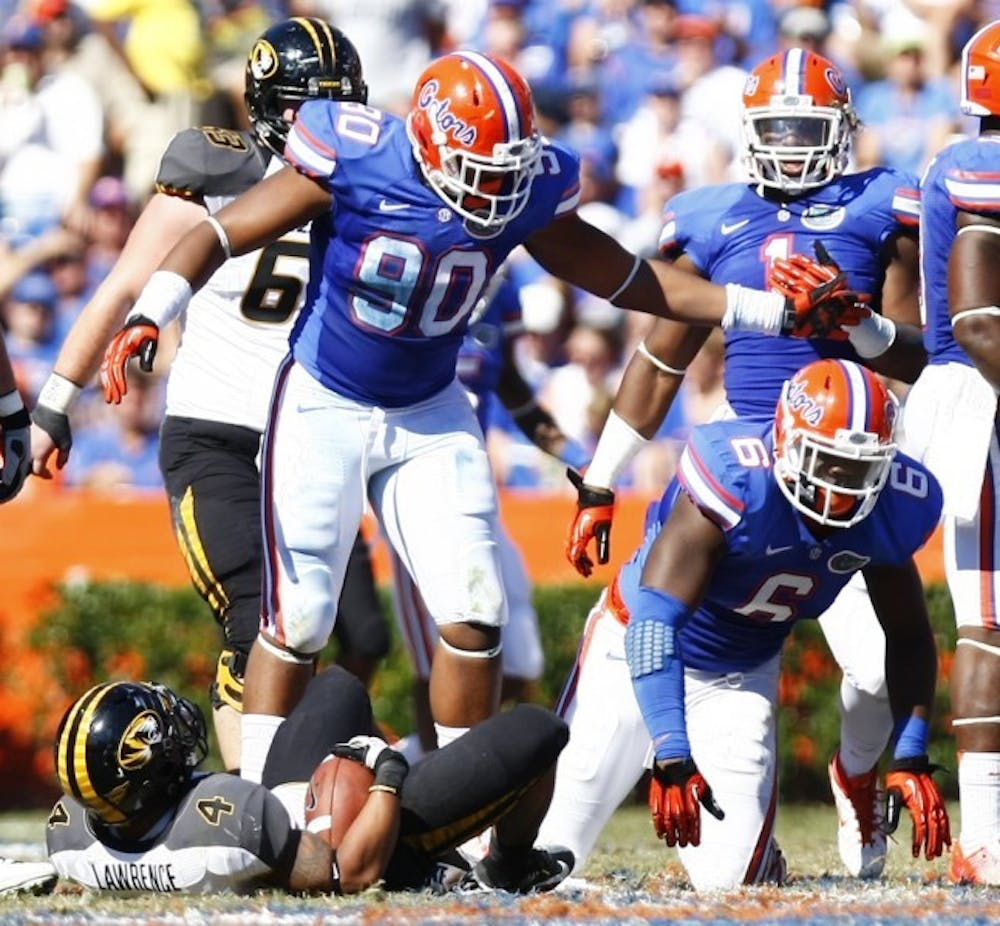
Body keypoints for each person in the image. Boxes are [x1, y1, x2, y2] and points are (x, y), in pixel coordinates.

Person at [98, 47, 866, 786]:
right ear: (430, 147)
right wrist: (153, 311)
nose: (494, 194)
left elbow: (628, 279)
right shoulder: (359, 158)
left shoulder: (527, 186)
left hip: (431, 410)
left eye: (508, 174)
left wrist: (772, 310)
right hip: (324, 399)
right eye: (479, 172)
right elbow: (220, 233)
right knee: (297, 615)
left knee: (475, 613)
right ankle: (264, 796)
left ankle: (467, 810)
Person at [555, 48, 927, 880]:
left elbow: (923, 359)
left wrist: (857, 324)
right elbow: (660, 360)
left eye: (807, 129)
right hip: (754, 463)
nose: (792, 146)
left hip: (854, 469)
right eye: (776, 130)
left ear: (842, 132)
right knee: (672, 611)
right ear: (749, 133)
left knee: (874, 666)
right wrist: (602, 476)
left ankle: (859, 777)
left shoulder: (880, 207)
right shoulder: (714, 216)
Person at [29, 18, 390, 771]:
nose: (319, 122)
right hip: (216, 439)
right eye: (304, 105)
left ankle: (332, 774)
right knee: (257, 614)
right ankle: (261, 799)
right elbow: (124, 285)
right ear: (266, 105)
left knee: (360, 634)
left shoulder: (361, 185)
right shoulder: (215, 171)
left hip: (310, 439)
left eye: (336, 103)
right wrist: (54, 403)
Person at [542, 358, 949, 889]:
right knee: (543, 855)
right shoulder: (735, 477)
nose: (842, 488)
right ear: (786, 440)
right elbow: (656, 620)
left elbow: (910, 635)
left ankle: (758, 851)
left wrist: (913, 750)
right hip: (631, 648)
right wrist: (670, 749)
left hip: (738, 676)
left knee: (733, 883)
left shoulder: (892, 506)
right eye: (827, 464)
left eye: (860, 470)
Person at [42, 669, 573, 895]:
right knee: (540, 730)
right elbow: (347, 872)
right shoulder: (229, 828)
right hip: (345, 838)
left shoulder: (72, 832)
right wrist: (384, 775)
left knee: (338, 685)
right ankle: (508, 864)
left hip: (282, 816)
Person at [391, 269, 589, 760]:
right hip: (417, 492)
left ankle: (451, 759)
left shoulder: (502, 289)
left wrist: (584, 458)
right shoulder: (417, 276)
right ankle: (434, 766)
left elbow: (513, 390)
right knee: (434, 651)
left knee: (519, 661)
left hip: (475, 496)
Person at [903, 21, 1000, 886]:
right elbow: (977, 323)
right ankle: (988, 834)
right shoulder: (981, 171)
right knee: (988, 626)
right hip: (982, 397)